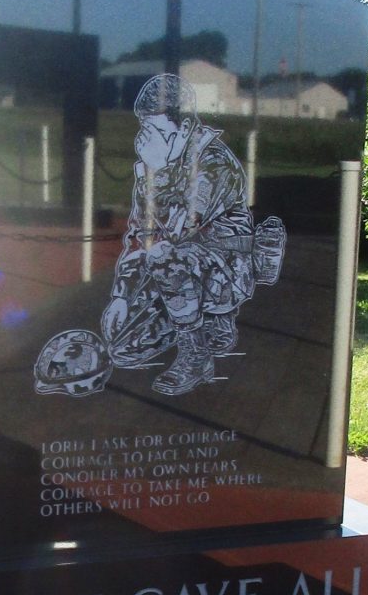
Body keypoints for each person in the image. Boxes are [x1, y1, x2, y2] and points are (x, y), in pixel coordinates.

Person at [101, 74, 255, 395]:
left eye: (156, 131)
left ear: (184, 127)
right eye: (144, 130)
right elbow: (140, 234)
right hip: (178, 267)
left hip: (225, 269)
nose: (146, 140)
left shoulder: (214, 163)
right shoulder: (156, 162)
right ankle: (201, 320)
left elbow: (179, 231)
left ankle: (199, 350)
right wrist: (121, 296)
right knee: (124, 349)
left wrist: (156, 174)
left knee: (162, 255)